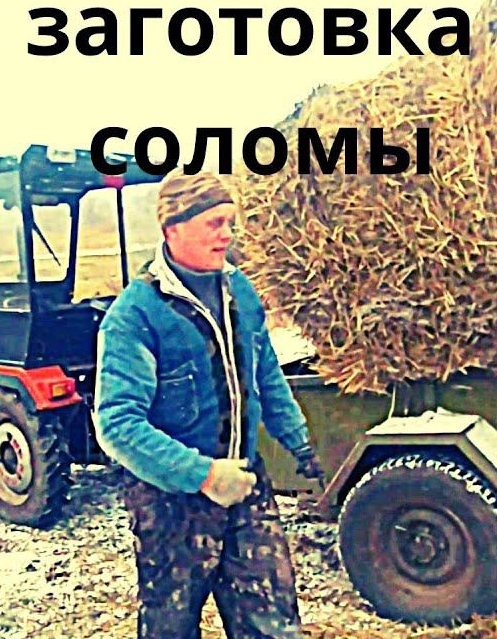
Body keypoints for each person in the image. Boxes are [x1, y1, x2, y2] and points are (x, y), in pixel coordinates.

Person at [92, 172, 324, 639]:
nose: (227, 235)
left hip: (244, 482)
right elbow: (117, 424)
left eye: (230, 223)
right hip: (171, 501)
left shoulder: (240, 293)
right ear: (173, 228)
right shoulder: (134, 316)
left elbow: (265, 373)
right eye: (214, 223)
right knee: (171, 626)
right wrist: (204, 475)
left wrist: (298, 440)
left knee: (273, 622)